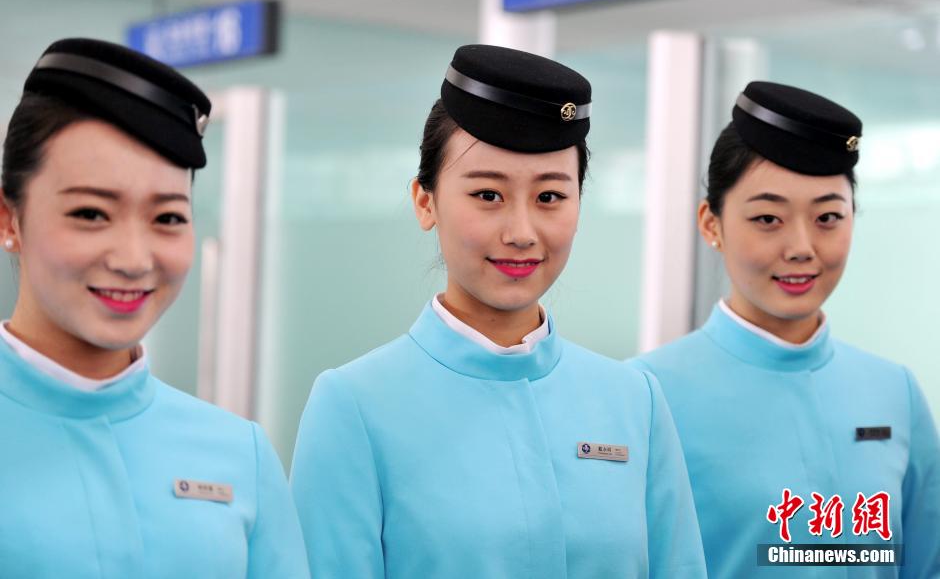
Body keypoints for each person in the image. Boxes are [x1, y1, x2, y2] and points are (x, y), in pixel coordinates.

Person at [290, 44, 707, 579]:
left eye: (550, 197)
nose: (521, 233)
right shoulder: (355, 407)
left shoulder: (634, 402)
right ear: (425, 201)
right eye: (488, 194)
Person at [0, 38, 309, 578]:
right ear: (9, 220)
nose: (133, 259)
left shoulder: (239, 453)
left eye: (166, 218)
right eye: (92, 213)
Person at [629, 81, 940, 578]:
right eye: (769, 218)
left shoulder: (893, 391)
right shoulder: (644, 396)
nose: (801, 247)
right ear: (712, 224)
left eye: (828, 217)